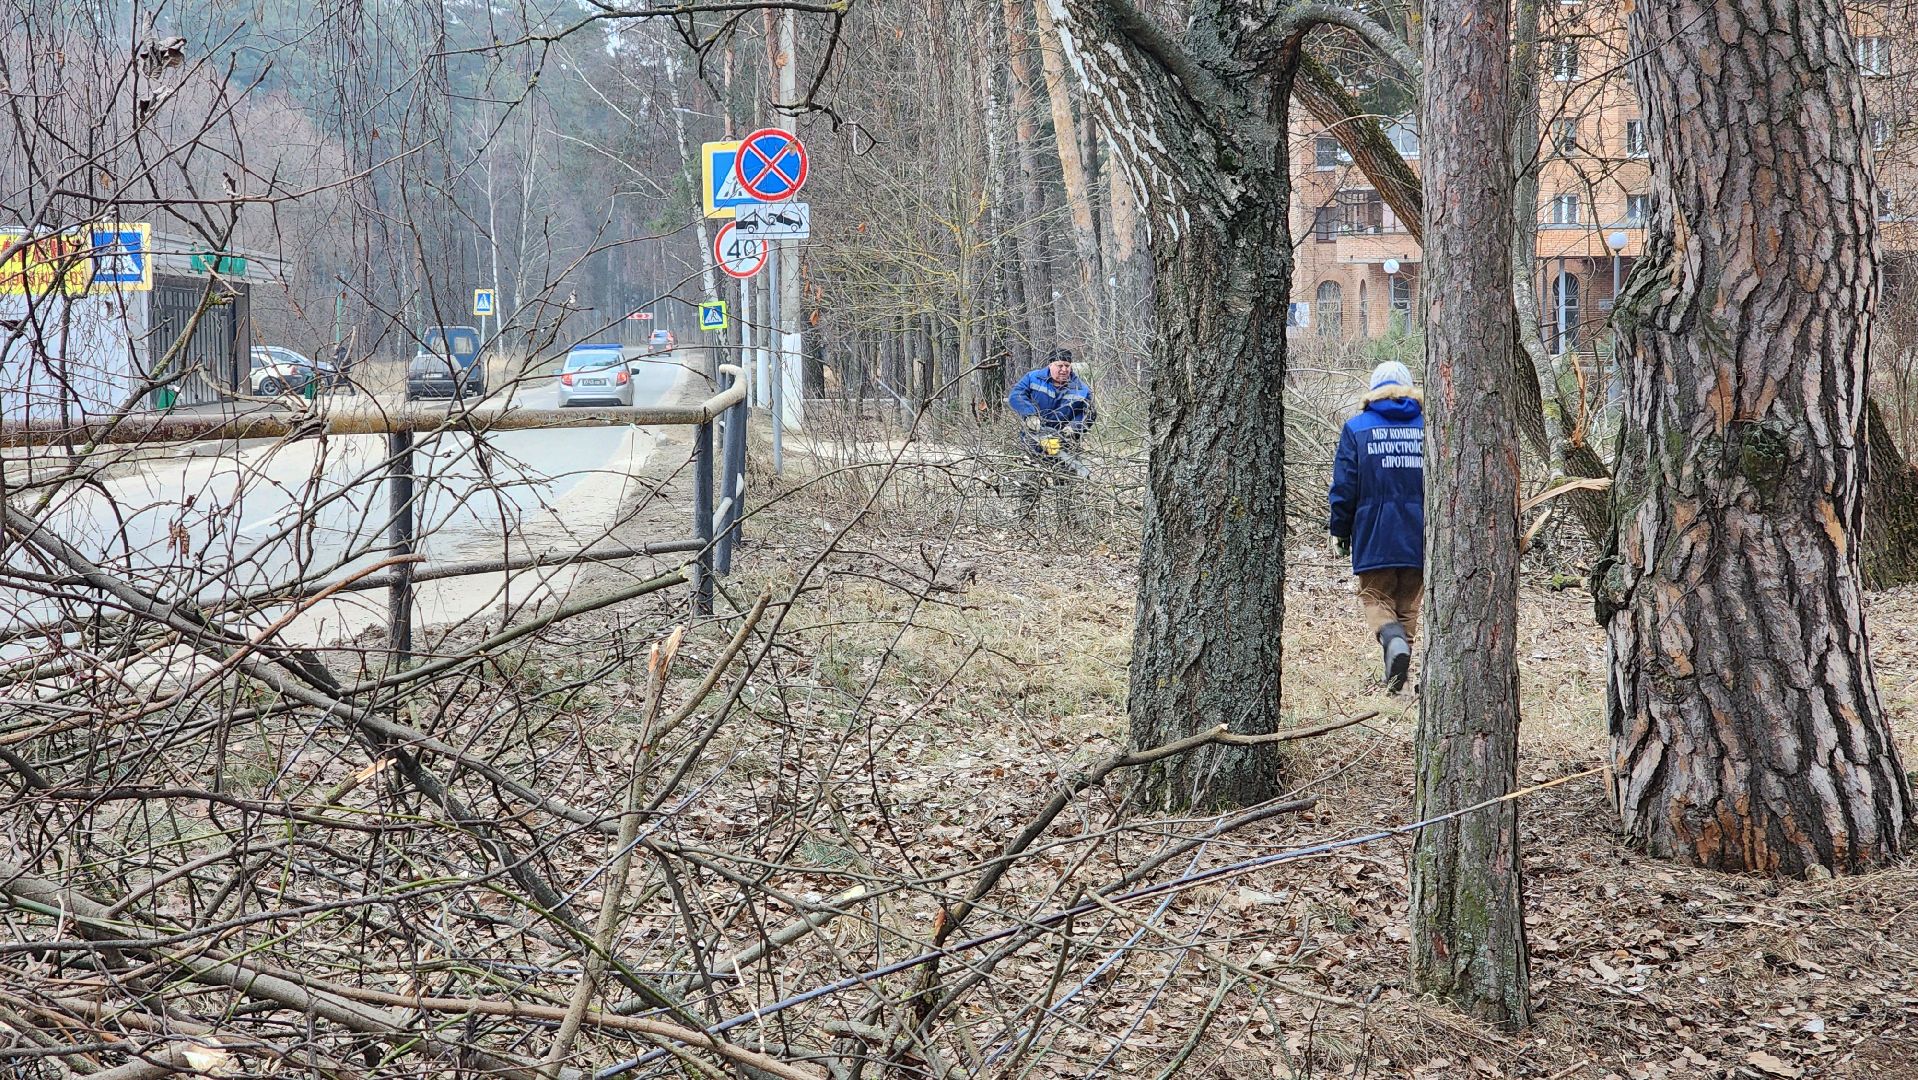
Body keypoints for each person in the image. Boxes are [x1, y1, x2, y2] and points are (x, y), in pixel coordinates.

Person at [1328, 360, 1425, 692]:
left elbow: (1344, 487)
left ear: (1373, 391)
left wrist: (1339, 530)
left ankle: (1392, 642)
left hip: (1374, 532)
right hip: (1420, 533)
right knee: (1408, 604)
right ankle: (1399, 679)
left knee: (1375, 597)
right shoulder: (1430, 427)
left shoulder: (1357, 428)